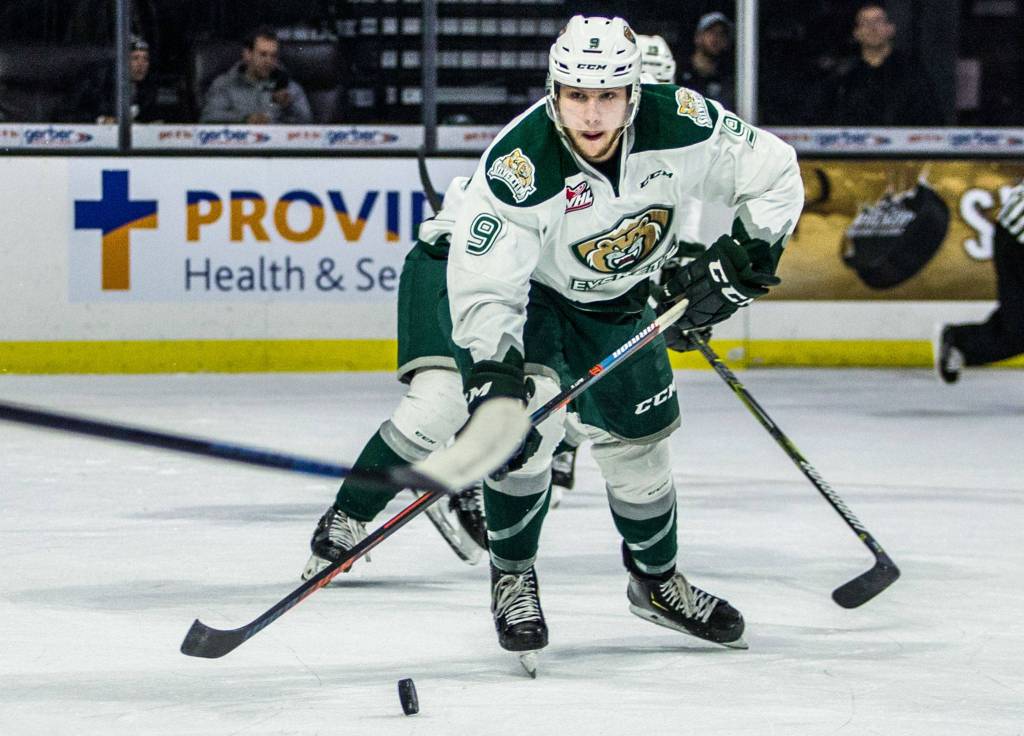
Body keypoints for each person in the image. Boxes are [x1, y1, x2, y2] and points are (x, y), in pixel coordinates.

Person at [436, 15, 803, 672]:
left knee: (642, 446)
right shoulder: (521, 165)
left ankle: (656, 583)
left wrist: (742, 257)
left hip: (626, 300)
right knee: (526, 445)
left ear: (634, 92)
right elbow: (485, 284)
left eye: (608, 95)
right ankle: (512, 577)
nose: (592, 112)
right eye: (577, 94)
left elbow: (774, 171)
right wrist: (494, 378)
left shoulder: (680, 121)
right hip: (540, 304)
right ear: (554, 91)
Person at [934, 180, 1024, 383]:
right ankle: (960, 342)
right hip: (1016, 241)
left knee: (1018, 329)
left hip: (1013, 234)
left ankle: (960, 342)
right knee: (1019, 330)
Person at [816, 3, 942, 126]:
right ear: (856, 33)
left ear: (890, 29)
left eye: (878, 21)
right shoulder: (844, 75)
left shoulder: (911, 71)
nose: (872, 28)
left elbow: (929, 116)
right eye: (865, 23)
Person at [200, 26, 312, 124]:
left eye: (273, 56)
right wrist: (244, 119)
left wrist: (289, 106)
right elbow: (208, 117)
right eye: (263, 55)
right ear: (247, 55)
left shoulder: (288, 87)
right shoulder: (225, 84)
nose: (269, 61)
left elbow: (308, 123)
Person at [72, 35, 160, 123]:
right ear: (121, 61)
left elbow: (147, 116)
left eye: (145, 59)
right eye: (135, 58)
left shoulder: (148, 87)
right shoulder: (98, 83)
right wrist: (102, 120)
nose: (141, 64)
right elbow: (75, 113)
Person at [677, 11, 735, 110]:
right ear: (697, 37)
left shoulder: (729, 78)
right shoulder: (679, 72)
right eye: (711, 32)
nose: (716, 38)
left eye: (722, 34)